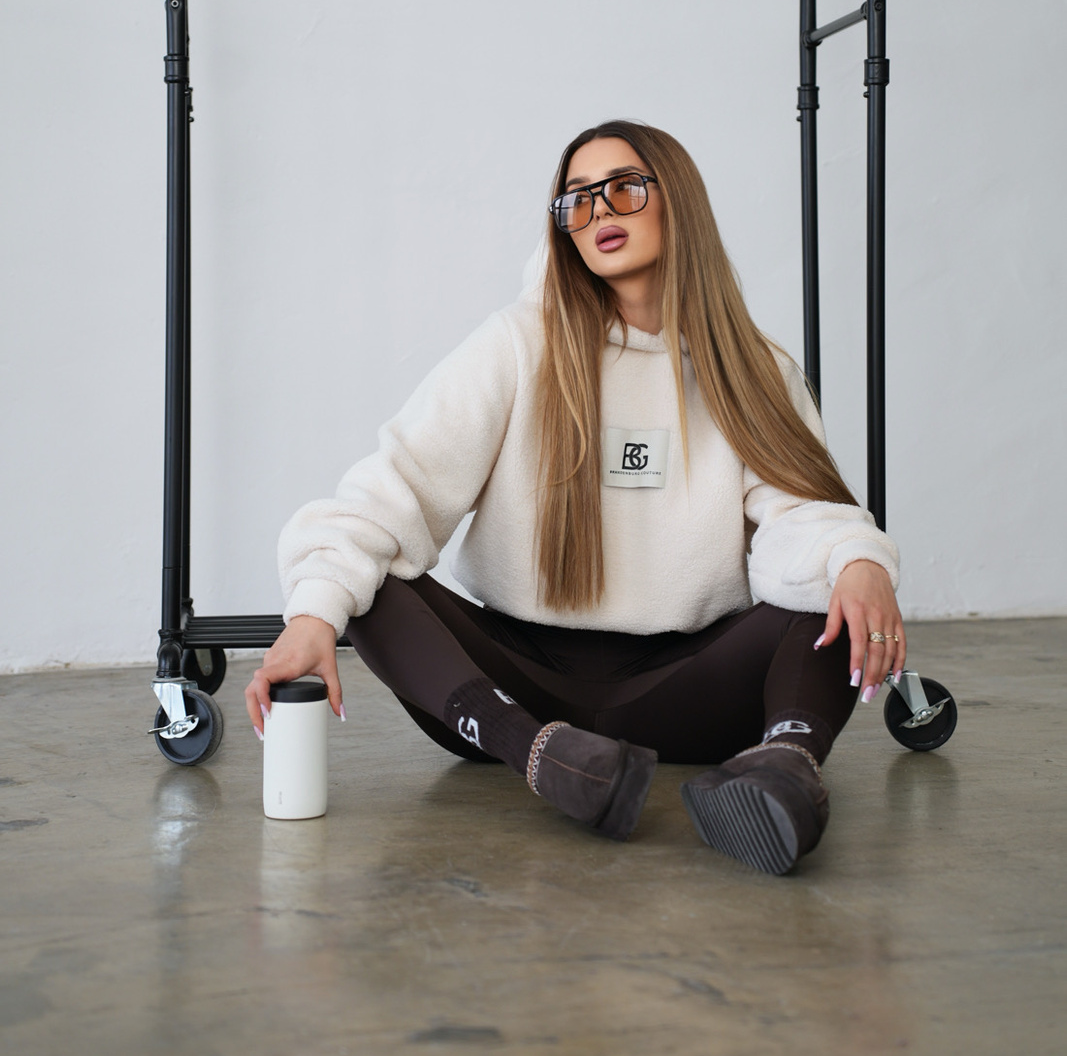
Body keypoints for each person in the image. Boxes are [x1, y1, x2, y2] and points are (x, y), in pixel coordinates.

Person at [245, 120, 904, 874]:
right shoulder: (516, 345)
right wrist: (313, 614)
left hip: (687, 689)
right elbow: (393, 489)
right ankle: (541, 758)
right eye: (578, 200)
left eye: (623, 188)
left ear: (677, 199)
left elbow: (802, 517)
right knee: (370, 581)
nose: (598, 214)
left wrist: (855, 560)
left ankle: (784, 769)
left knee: (828, 592)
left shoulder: (753, 368)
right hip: (514, 688)